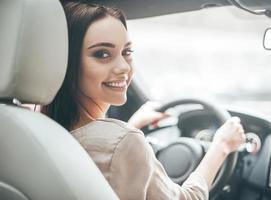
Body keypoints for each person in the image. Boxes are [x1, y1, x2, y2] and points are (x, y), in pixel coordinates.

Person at [42, 1, 246, 199]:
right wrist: (221, 147)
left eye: (127, 52)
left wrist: (133, 125)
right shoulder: (124, 141)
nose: (123, 67)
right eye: (102, 53)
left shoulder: (41, 130)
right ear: (67, 62)